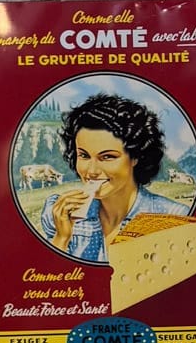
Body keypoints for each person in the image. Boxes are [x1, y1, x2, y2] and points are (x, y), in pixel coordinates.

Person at [40, 93, 187, 262]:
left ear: (135, 157)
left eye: (107, 157)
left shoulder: (173, 218)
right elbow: (51, 278)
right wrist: (62, 238)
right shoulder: (59, 214)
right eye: (84, 156)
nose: (92, 171)